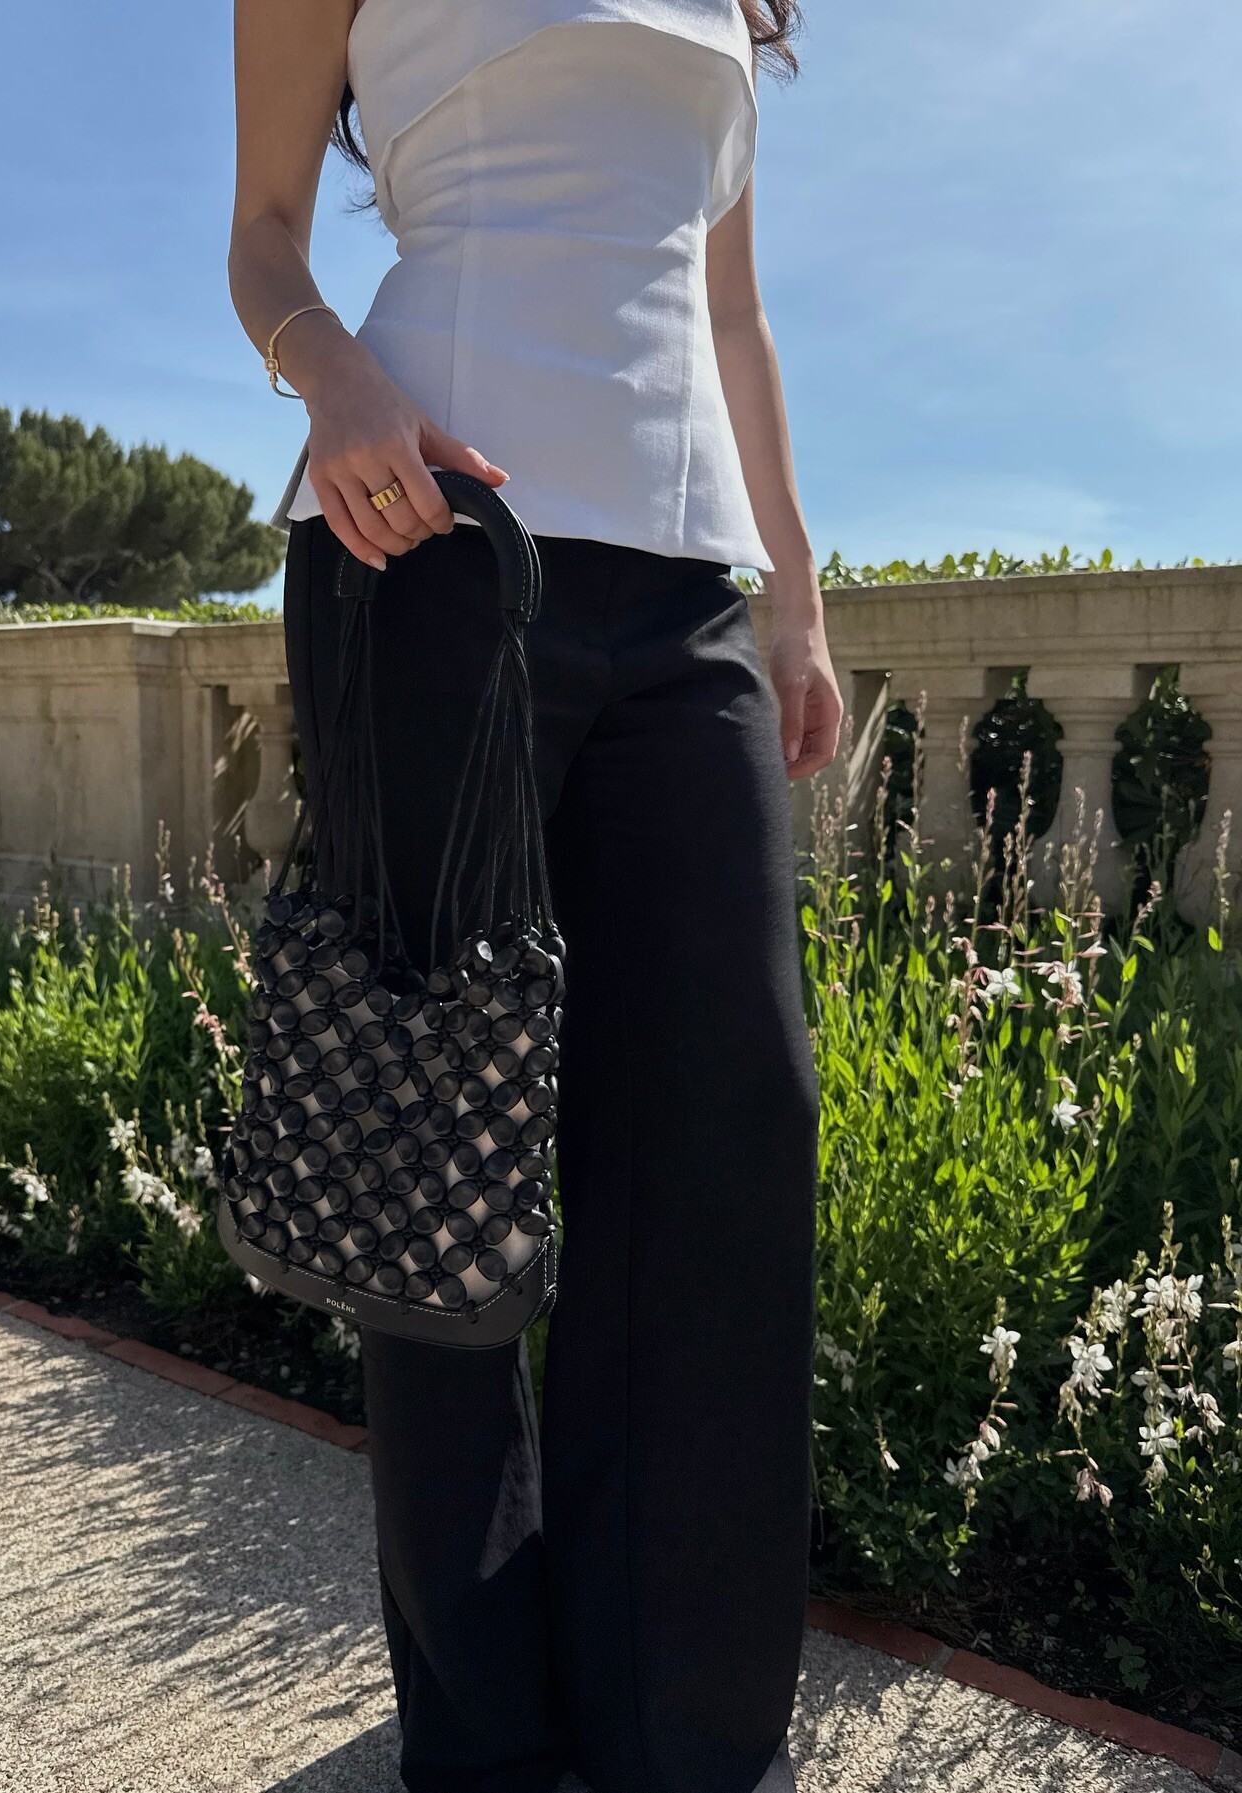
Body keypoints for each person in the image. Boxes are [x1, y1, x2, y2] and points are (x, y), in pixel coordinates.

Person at [227, 3, 842, 1789]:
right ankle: (483, 1741)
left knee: (732, 1119)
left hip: (687, 586)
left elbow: (731, 311)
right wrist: (334, 378)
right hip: (426, 542)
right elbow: (264, 234)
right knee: (435, 1142)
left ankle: (680, 1735)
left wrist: (796, 591)